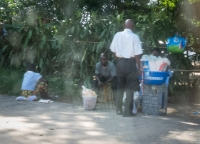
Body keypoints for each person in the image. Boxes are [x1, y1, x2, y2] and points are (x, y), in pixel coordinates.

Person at [110, 19, 143, 117]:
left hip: (120, 63)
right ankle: (127, 112)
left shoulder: (117, 35)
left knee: (120, 87)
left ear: (124, 26)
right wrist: (139, 68)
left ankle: (118, 110)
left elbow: (113, 51)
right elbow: (137, 55)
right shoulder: (135, 37)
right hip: (130, 64)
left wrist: (119, 60)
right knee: (129, 89)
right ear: (132, 27)